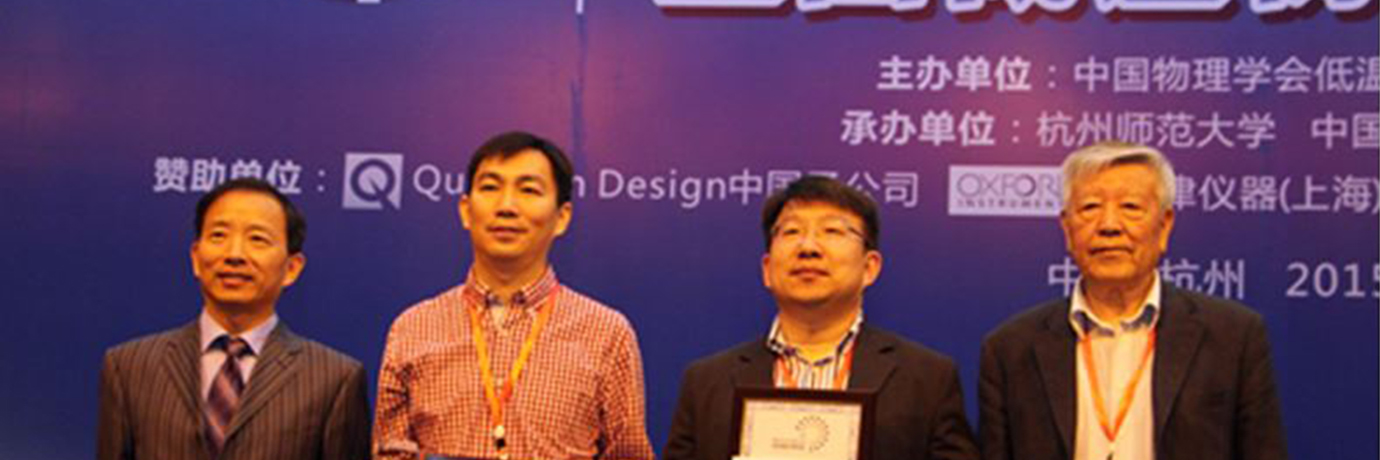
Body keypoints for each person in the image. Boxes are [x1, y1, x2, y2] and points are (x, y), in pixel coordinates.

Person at [978, 141, 1287, 460]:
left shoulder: (1233, 336)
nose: (1109, 225)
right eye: (1090, 208)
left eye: (1130, 207)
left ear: (1164, 225)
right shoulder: (1010, 350)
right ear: (1067, 229)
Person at [373, 131, 654, 460]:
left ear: (562, 217)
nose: (506, 206)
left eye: (529, 190)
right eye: (490, 187)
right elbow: (388, 452)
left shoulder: (606, 333)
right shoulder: (413, 327)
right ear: (465, 210)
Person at [663, 176, 979, 460]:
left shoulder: (926, 379)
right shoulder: (706, 383)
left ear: (869, 267)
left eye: (832, 231)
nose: (808, 247)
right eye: (791, 231)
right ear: (767, 269)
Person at [97, 178, 371, 460]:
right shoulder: (129, 367)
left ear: (292, 268)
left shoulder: (335, 380)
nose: (234, 254)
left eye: (257, 239)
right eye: (219, 235)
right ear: (196, 258)